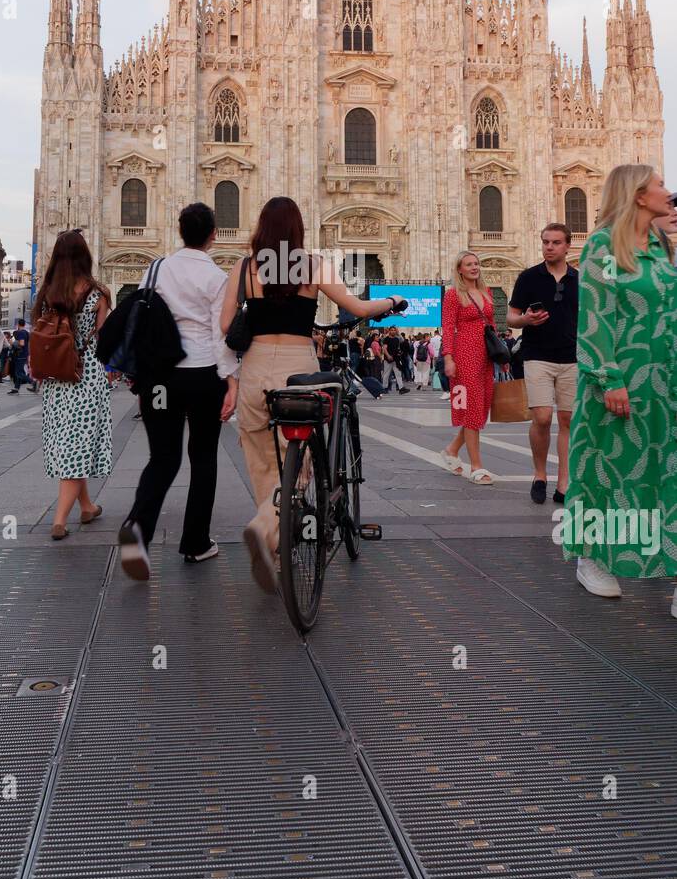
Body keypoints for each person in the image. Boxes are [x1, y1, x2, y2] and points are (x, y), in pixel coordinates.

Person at [220, 196, 404, 594]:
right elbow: (356, 306)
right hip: (297, 371)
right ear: (297, 230)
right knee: (298, 462)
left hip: (254, 370)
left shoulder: (243, 268)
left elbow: (223, 325)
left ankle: (273, 538)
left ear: (261, 228)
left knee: (260, 460)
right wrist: (392, 301)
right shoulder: (314, 266)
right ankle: (265, 529)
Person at [561, 165, 677, 612]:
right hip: (622, 380)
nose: (668, 192)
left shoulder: (660, 246)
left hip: (665, 382)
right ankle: (592, 557)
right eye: (660, 185)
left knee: (661, 473)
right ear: (638, 195)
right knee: (609, 472)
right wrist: (609, 376)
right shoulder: (605, 246)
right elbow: (596, 312)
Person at [118, 203, 238, 581]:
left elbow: (140, 319)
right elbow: (223, 335)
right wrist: (231, 381)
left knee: (163, 459)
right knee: (203, 457)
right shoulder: (218, 278)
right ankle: (196, 543)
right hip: (203, 376)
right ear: (213, 235)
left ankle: (138, 529)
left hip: (160, 379)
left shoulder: (155, 270)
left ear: (179, 229)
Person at [34, 230, 112, 540]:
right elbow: (103, 339)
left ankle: (87, 506)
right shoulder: (98, 293)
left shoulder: (48, 292)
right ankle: (59, 519)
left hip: (56, 377)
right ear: (85, 256)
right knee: (78, 445)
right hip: (87, 375)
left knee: (69, 440)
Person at [507, 224, 579, 505]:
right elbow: (511, 318)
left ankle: (564, 483)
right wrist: (525, 320)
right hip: (537, 354)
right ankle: (539, 474)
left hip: (571, 357)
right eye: (545, 242)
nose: (549, 247)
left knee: (568, 420)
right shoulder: (528, 277)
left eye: (555, 243)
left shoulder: (579, 279)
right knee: (542, 417)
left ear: (566, 247)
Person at [441, 251, 496, 484]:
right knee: (472, 410)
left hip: (486, 355)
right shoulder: (453, 295)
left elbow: (491, 324)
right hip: (465, 355)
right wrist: (448, 358)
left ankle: (452, 450)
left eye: (477, 264)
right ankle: (477, 466)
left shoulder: (487, 292)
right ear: (460, 269)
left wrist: (500, 355)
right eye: (469, 264)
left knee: (481, 409)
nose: (474, 267)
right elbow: (447, 327)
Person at [8, 318, 36, 394]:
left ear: (18, 325)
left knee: (18, 372)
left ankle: (33, 382)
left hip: (20, 354)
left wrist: (12, 343)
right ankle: (16, 388)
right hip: (24, 354)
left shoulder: (21, 333)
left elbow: (22, 343)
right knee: (19, 371)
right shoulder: (27, 332)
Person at [382, 327, 410, 394]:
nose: (393, 331)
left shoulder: (397, 339)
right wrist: (388, 355)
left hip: (396, 359)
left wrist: (398, 333)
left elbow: (402, 342)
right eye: (392, 330)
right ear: (389, 331)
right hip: (388, 359)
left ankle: (401, 388)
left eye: (394, 330)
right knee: (386, 374)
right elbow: (384, 348)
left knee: (398, 374)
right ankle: (384, 388)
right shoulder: (386, 339)